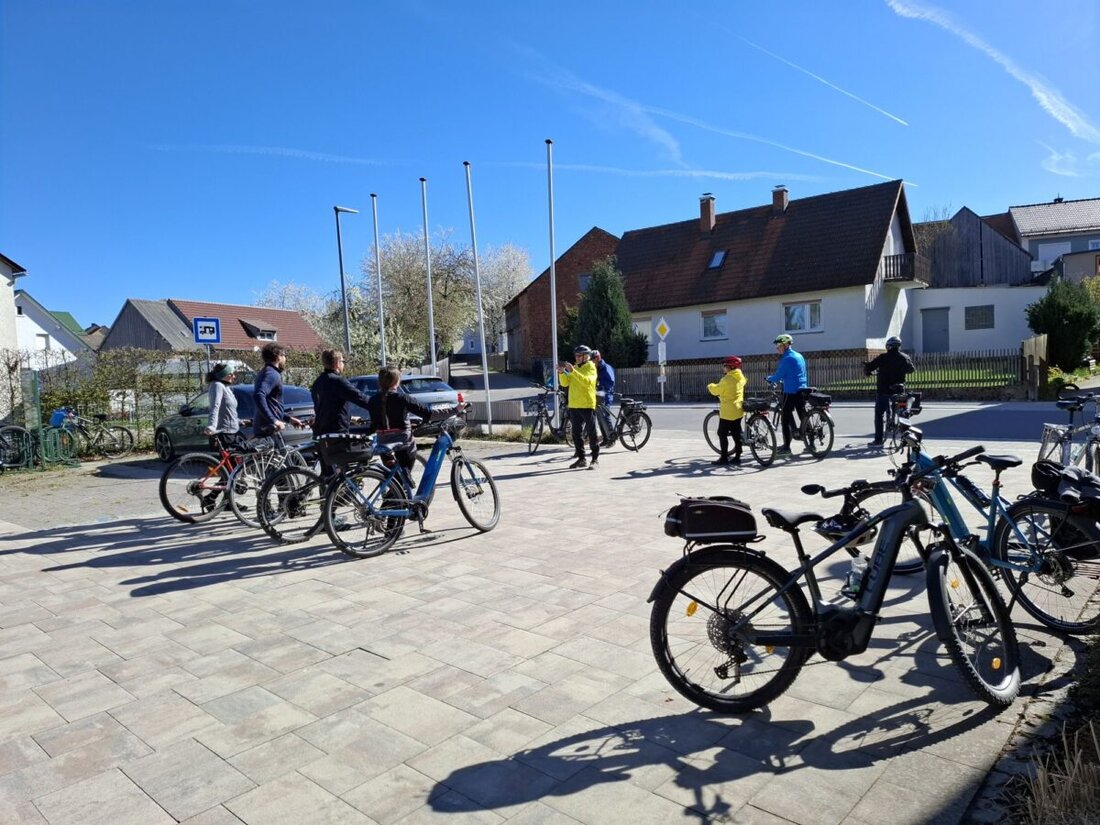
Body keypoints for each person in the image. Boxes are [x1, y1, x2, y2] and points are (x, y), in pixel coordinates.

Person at [310, 349, 374, 475]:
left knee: (328, 473)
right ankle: (339, 493)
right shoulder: (338, 381)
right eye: (343, 361)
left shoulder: (318, 382)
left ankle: (329, 493)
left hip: (320, 432)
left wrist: (350, 418)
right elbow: (360, 398)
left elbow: (327, 408)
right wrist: (379, 405)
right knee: (342, 471)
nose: (343, 364)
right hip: (336, 433)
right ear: (337, 363)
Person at [363, 366, 433, 470]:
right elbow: (427, 412)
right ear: (396, 381)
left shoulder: (373, 400)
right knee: (404, 474)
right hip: (402, 444)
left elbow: (375, 423)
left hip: (383, 443)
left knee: (394, 478)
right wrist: (455, 409)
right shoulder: (402, 398)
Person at [864, 335, 915, 446]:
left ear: (889, 346)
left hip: (884, 390)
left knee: (879, 414)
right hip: (899, 390)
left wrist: (867, 369)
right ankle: (905, 438)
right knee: (903, 414)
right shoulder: (904, 357)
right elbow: (911, 369)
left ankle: (878, 440)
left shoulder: (883, 357)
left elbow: (870, 366)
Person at [766, 333, 809, 456]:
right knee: (803, 416)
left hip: (790, 391)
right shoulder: (799, 356)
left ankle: (786, 448)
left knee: (785, 419)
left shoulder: (786, 359)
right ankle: (811, 444)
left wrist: (769, 378)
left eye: (778, 345)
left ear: (785, 345)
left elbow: (778, 375)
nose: (777, 348)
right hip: (802, 389)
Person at [253, 343, 303, 448]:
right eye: (284, 355)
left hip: (268, 426)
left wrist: (289, 419)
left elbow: (272, 404)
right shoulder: (271, 374)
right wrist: (274, 420)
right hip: (269, 428)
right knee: (281, 457)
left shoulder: (266, 372)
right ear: (277, 357)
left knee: (278, 460)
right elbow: (258, 395)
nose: (285, 358)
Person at [558, 344, 600, 469]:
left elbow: (587, 382)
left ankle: (595, 459)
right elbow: (565, 383)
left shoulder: (591, 368)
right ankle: (581, 459)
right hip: (574, 405)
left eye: (579, 356)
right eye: (575, 356)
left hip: (587, 405)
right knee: (576, 433)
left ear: (586, 356)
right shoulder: (575, 368)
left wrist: (573, 372)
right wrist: (561, 373)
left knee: (592, 433)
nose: (576, 358)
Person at [707, 355, 746, 466]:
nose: (723, 368)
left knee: (722, 433)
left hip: (728, 412)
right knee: (736, 433)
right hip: (738, 409)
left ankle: (724, 457)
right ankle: (738, 457)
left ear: (731, 367)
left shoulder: (727, 379)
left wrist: (710, 386)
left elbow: (716, 390)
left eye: (725, 365)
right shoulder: (740, 376)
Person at [203, 363, 245, 450]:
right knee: (229, 462)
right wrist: (212, 426)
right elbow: (215, 406)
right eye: (231, 374)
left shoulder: (226, 387)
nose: (234, 376)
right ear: (223, 375)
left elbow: (228, 411)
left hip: (233, 432)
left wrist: (239, 421)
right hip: (224, 433)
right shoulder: (217, 385)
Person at [591, 349, 617, 447]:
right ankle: (606, 438)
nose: (591, 363)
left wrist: (599, 386)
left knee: (605, 415)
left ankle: (612, 439)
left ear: (597, 358)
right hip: (598, 394)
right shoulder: (596, 368)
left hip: (606, 394)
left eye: (592, 360)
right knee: (599, 417)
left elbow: (611, 382)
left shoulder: (606, 368)